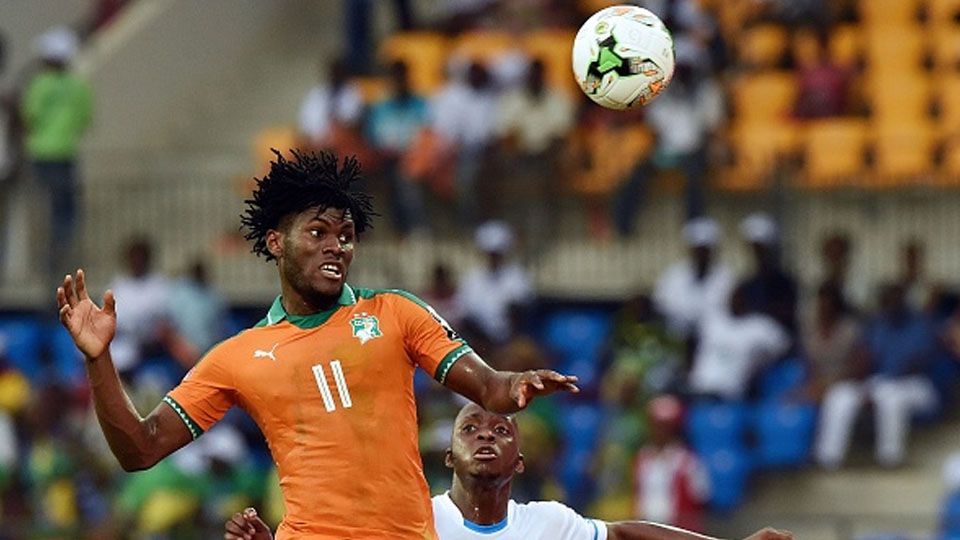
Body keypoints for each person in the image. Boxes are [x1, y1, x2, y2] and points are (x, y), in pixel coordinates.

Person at [56, 149, 578, 539]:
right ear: (276, 242)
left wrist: (516, 385)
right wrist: (98, 360)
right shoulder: (238, 357)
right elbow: (139, 449)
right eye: (320, 232)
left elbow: (488, 386)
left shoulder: (395, 312)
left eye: (346, 235)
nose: (337, 246)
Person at [225, 402, 793, 540]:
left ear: (520, 462)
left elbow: (624, 533)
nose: (487, 435)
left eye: (502, 431)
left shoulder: (548, 523)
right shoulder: (415, 522)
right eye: (471, 428)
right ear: (448, 457)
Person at [814, 283, 939, 469]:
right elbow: (865, 360)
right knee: (840, 396)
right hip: (879, 383)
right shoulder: (877, 325)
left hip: (916, 386)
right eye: (887, 302)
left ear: (903, 303)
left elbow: (915, 366)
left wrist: (876, 389)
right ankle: (828, 459)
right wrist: (864, 387)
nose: (891, 306)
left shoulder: (919, 323)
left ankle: (890, 459)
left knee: (891, 398)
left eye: (895, 301)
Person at [22, 26, 92, 279]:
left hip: (41, 154)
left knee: (43, 210)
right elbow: (85, 119)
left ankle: (48, 260)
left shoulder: (39, 84)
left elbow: (28, 116)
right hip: (65, 153)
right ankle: (61, 255)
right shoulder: (78, 85)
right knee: (66, 212)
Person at [688, 284, 791, 400]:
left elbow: (786, 346)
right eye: (733, 296)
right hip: (699, 388)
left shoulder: (759, 326)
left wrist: (760, 363)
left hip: (730, 393)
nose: (735, 301)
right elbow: (692, 343)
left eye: (739, 297)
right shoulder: (712, 320)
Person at [366, 60, 430, 237]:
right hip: (385, 158)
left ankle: (416, 227)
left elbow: (425, 135)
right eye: (395, 78)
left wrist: (407, 150)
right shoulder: (381, 107)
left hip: (413, 158)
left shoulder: (420, 105)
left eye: (402, 78)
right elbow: (374, 137)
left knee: (406, 176)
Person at [457, 221, 533, 345]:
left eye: (497, 253)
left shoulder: (516, 276)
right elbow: (465, 313)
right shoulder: (472, 278)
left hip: (510, 340)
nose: (493, 257)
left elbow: (522, 308)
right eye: (490, 253)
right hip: (478, 341)